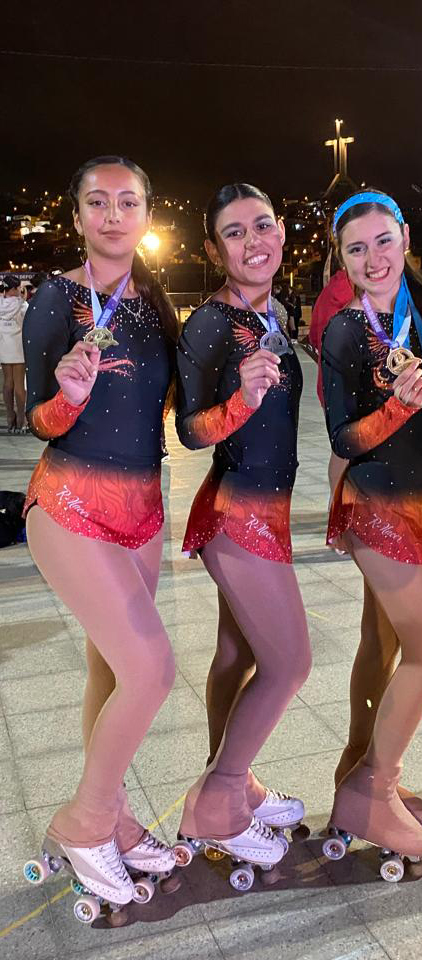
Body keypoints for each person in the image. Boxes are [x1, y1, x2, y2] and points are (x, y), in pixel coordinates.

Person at [19, 156, 182, 915]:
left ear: (146, 214)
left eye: (128, 201)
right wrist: (68, 396)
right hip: (72, 505)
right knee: (150, 668)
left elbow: (182, 415)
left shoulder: (154, 303)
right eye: (97, 201)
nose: (113, 213)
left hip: (143, 512)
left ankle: (113, 817)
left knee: (113, 674)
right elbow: (39, 421)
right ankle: (83, 822)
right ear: (78, 214)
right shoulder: (56, 297)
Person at [174, 184, 309, 875]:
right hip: (237, 517)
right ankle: (218, 801)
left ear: (281, 231)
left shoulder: (273, 314)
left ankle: (236, 775)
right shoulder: (209, 324)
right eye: (234, 232)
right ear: (213, 249)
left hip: (269, 511)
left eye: (262, 224)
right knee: (290, 663)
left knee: (239, 659)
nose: (253, 240)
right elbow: (190, 431)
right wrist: (239, 402)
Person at [319, 189, 422, 875]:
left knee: (393, 643)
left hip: (419, 500)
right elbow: (342, 433)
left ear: (404, 237)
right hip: (380, 508)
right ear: (341, 259)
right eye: (355, 248)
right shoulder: (346, 329)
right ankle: (371, 789)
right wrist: (393, 415)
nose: (371, 258)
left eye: (381, 241)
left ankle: (372, 778)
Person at [0, 276, 26, 433]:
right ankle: (22, 421)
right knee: (19, 386)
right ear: (16, 288)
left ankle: (10, 418)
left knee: (7, 383)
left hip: (4, 347)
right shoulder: (23, 306)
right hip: (18, 348)